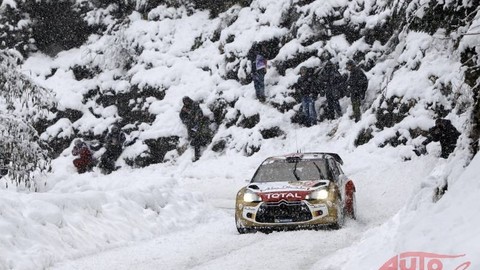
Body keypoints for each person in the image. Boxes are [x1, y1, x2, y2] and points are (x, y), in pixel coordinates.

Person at [179, 96, 212, 161]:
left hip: (199, 126)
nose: (186, 103)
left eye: (187, 101)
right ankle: (197, 155)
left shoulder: (195, 105)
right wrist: (188, 120)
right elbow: (181, 116)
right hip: (192, 126)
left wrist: (195, 121)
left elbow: (199, 115)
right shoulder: (184, 108)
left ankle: (198, 155)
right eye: (185, 102)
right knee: (196, 141)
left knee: (197, 140)